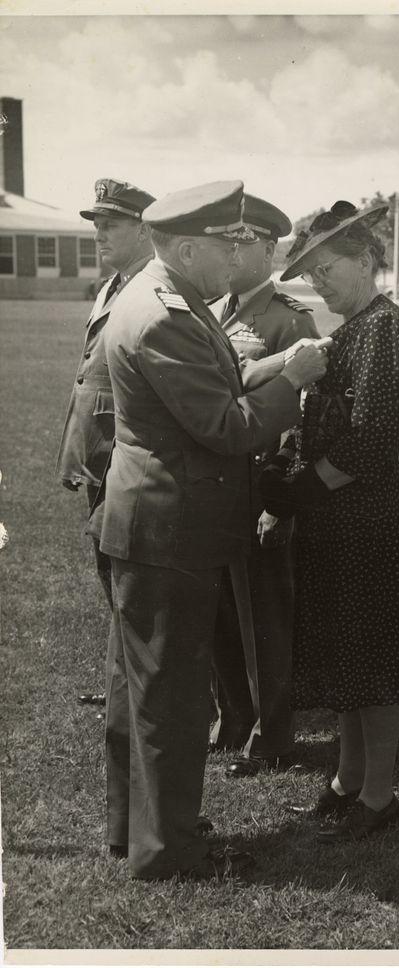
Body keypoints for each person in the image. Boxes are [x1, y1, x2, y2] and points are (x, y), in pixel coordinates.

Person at [92, 180, 330, 879]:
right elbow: (228, 425)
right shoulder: (166, 315)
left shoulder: (168, 299)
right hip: (172, 529)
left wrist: (277, 362)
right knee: (170, 693)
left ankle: (132, 832)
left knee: (137, 686)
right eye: (224, 247)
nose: (237, 260)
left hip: (149, 522)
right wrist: (299, 379)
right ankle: (168, 852)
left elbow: (218, 375)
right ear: (189, 247)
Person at [259, 200, 399, 841]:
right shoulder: (352, 328)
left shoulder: (385, 328)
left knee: (375, 657)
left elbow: (370, 442)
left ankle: (380, 797)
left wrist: (295, 494)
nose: (317, 284)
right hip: (334, 518)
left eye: (325, 270)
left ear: (365, 260)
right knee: (348, 653)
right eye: (309, 276)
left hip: (365, 517)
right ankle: (346, 779)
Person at [207, 193, 320, 772]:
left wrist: (280, 501)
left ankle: (274, 735)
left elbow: (300, 418)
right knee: (222, 611)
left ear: (271, 249)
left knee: (265, 618)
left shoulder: (290, 319)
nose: (230, 249)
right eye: (225, 238)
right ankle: (233, 720)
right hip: (215, 485)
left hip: (259, 486)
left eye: (243, 240)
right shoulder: (210, 308)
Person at [55, 178, 155, 707]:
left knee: (131, 580)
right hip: (99, 453)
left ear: (144, 229)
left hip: (127, 454)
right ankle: (127, 682)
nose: (99, 235)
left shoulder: (149, 287)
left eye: (110, 225)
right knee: (110, 573)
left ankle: (146, 689)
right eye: (96, 225)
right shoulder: (114, 284)